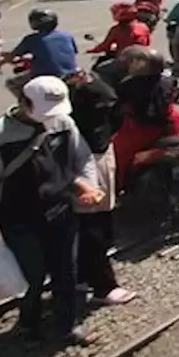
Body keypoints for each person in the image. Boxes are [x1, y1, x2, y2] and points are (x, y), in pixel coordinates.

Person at [0, 76, 103, 344]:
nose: (49, 118)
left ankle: (65, 326)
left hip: (60, 210)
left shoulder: (63, 123)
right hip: (19, 218)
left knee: (65, 270)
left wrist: (90, 185)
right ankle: (28, 323)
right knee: (32, 273)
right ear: (23, 102)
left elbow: (82, 156)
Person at [63, 69, 136, 306]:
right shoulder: (72, 127)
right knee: (91, 228)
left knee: (98, 224)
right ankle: (103, 286)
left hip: (99, 159)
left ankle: (84, 276)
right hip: (87, 168)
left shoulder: (87, 120)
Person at [110, 46, 179, 189]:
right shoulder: (167, 79)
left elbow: (118, 106)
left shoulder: (130, 85)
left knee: (116, 156)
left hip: (143, 128)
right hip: (172, 121)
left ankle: (116, 189)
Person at [4, 8, 79, 79]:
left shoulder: (31, 39)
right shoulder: (67, 35)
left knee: (11, 82)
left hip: (43, 75)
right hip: (71, 73)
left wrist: (1, 61)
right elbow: (74, 52)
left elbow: (13, 55)